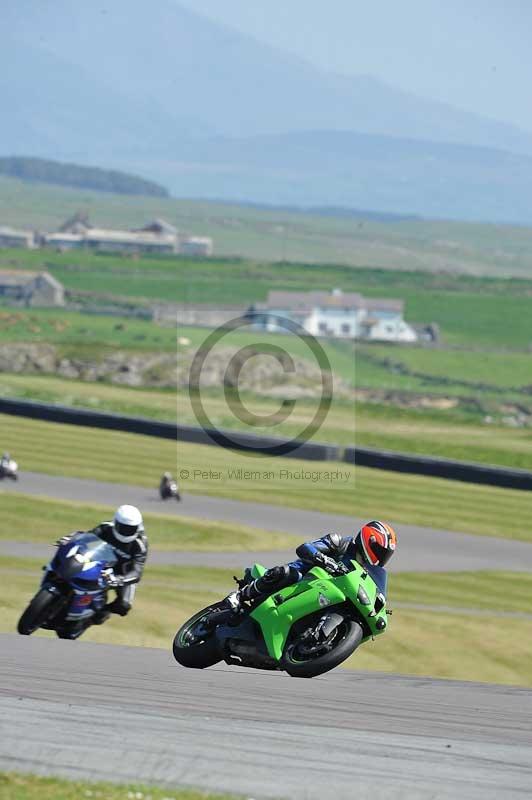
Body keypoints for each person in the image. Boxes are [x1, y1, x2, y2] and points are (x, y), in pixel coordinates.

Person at [226, 520, 397, 611]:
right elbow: (304, 548)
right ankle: (240, 596)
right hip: (302, 577)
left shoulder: (366, 571)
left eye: (385, 555)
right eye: (380, 551)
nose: (382, 557)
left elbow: (374, 590)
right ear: (369, 540)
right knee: (286, 573)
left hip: (326, 593)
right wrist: (323, 559)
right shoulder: (339, 542)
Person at [54, 505, 148, 638]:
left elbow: (137, 572)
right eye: (123, 527)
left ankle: (94, 617)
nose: (126, 532)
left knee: (124, 605)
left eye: (130, 529)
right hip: (101, 561)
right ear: (116, 522)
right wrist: (70, 539)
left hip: (123, 574)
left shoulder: (140, 545)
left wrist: (119, 580)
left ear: (137, 528)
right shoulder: (106, 528)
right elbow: (86, 538)